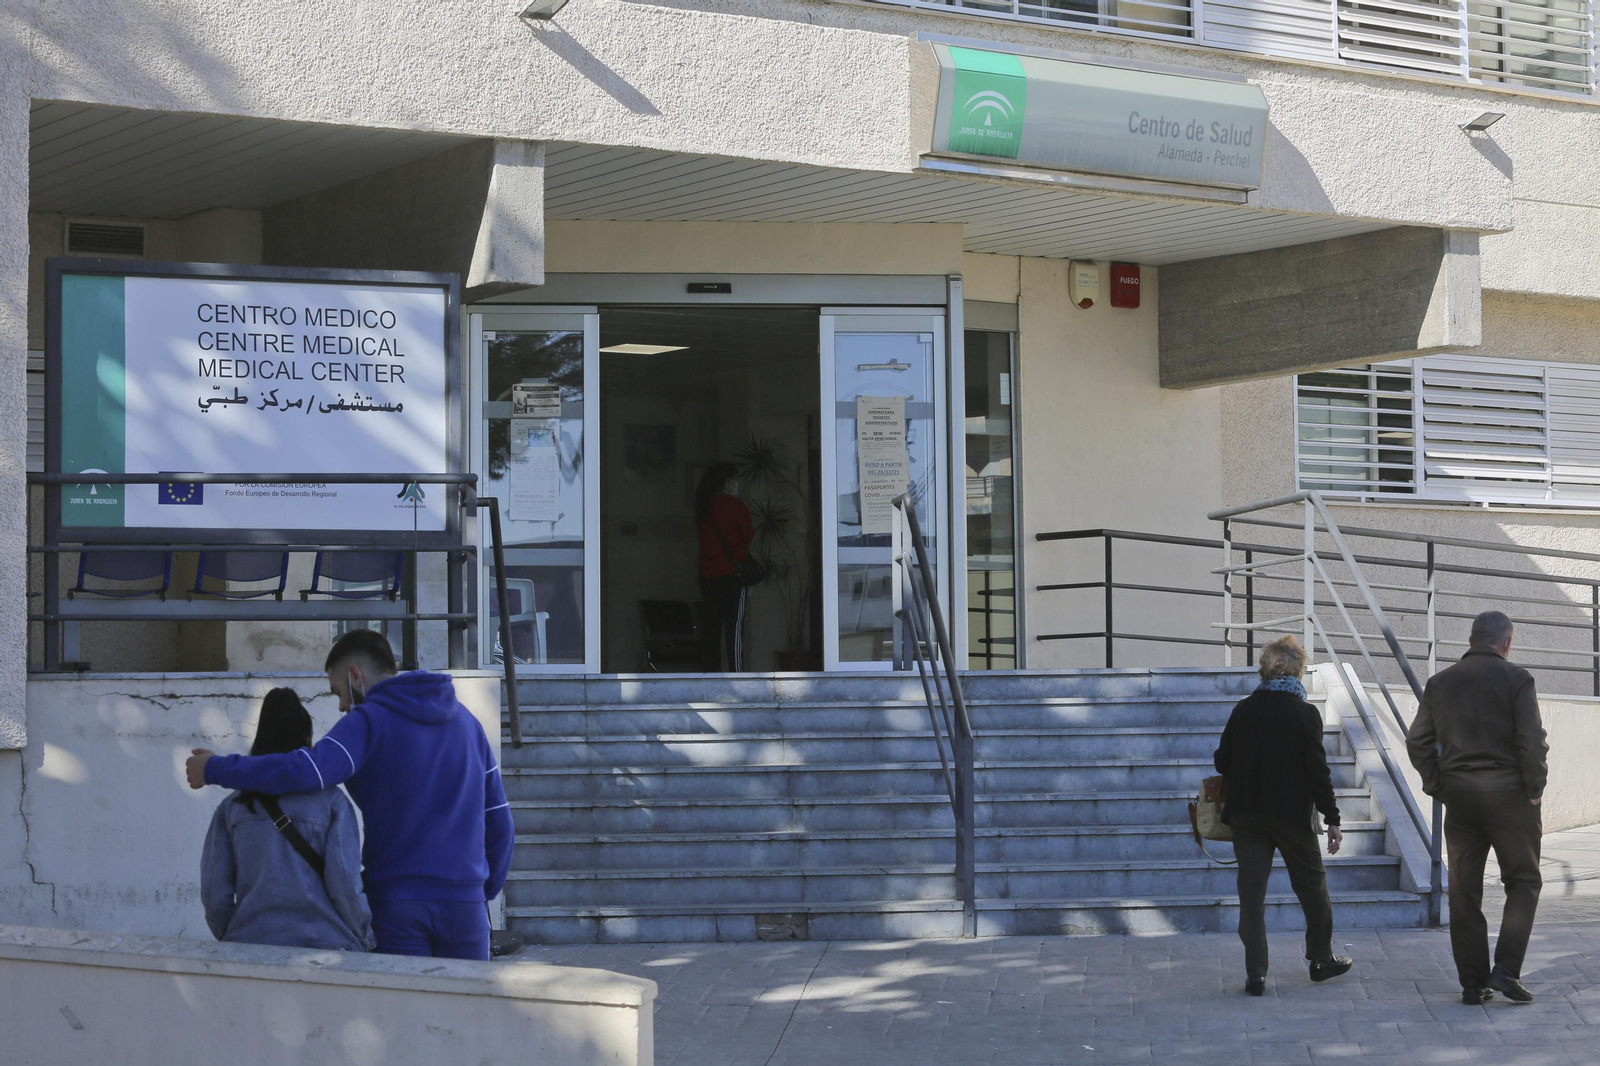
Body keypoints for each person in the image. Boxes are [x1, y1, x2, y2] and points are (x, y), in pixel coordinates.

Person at [186, 630, 514, 961]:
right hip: (466, 906)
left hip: (397, 906)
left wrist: (215, 768)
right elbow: (501, 823)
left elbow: (308, 771)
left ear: (354, 675)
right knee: (468, 1009)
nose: (342, 705)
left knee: (404, 1010)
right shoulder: (469, 725)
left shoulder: (368, 722)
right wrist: (477, 893)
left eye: (337, 692)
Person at [1406, 610, 1548, 1006]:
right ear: (1507, 642)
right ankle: (1504, 971)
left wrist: (1438, 785)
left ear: (1470, 641)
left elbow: (1417, 742)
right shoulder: (1517, 679)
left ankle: (1472, 983)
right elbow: (1531, 741)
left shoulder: (1440, 683)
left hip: (1461, 799)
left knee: (1463, 890)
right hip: (1511, 798)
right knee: (1522, 881)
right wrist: (1534, 788)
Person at [1214, 635, 1352, 996]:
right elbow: (1316, 771)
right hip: (1291, 816)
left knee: (1251, 894)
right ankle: (1320, 959)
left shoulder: (1243, 709)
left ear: (1265, 669)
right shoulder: (1305, 714)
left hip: (1246, 816)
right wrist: (1332, 817)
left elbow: (1221, 761)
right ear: (1298, 671)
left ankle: (1256, 975)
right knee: (1313, 889)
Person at [200, 687, 373, 952]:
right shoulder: (332, 803)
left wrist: (235, 937)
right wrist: (365, 937)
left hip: (249, 946)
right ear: (306, 742)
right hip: (324, 947)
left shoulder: (232, 807)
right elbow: (346, 886)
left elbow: (215, 894)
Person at [695, 462, 755, 672]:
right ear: (727, 482)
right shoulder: (735, 506)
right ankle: (737, 674)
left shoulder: (703, 506)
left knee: (712, 628)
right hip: (732, 575)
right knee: (734, 628)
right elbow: (748, 536)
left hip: (707, 575)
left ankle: (710, 674)